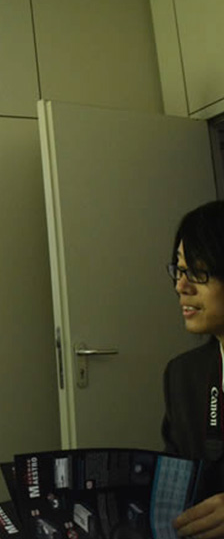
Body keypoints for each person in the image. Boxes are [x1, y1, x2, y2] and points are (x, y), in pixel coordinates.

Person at [163, 201, 224, 539]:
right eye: (180, 269)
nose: (181, 286)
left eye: (199, 272)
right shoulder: (182, 375)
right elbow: (174, 484)